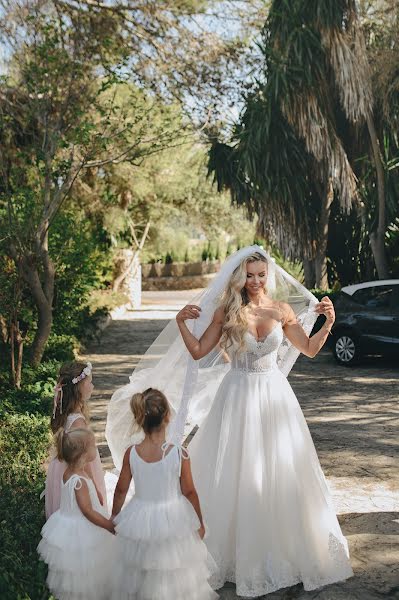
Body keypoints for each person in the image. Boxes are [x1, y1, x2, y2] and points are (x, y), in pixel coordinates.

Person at [105, 245, 353, 598]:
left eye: (260, 275)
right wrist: (180, 322)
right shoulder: (227, 311)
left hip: (276, 400)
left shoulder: (282, 310)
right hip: (236, 397)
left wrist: (328, 322)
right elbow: (197, 351)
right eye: (248, 275)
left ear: (269, 275)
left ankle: (282, 553)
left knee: (279, 470)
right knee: (238, 471)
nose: (254, 281)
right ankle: (233, 555)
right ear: (240, 276)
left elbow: (310, 349)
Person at [111, 387, 218, 600]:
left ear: (140, 418)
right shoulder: (179, 453)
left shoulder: (131, 453)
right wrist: (199, 522)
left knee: (142, 566)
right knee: (174, 568)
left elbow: (121, 489)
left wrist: (115, 516)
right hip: (173, 519)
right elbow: (189, 491)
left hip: (139, 516)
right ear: (167, 416)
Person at [38, 428, 115, 600]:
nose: (96, 449)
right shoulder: (78, 481)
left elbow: (86, 477)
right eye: (93, 446)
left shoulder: (72, 472)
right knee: (84, 568)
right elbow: (87, 511)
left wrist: (95, 488)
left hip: (66, 523)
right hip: (81, 529)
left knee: (78, 568)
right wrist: (107, 525)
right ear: (83, 454)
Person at [45, 361, 107, 518]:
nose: (92, 386)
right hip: (78, 471)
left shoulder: (67, 414)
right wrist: (94, 488)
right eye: (90, 382)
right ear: (79, 388)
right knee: (81, 511)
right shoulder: (78, 421)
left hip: (63, 468)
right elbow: (82, 463)